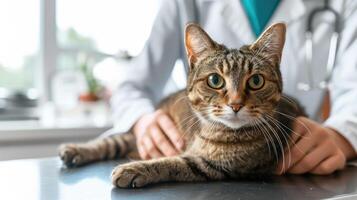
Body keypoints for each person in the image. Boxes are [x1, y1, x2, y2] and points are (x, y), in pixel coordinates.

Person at [109, 0, 357, 175]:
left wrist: (343, 135)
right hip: (191, 137)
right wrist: (142, 121)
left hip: (300, 152)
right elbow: (132, 86)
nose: (236, 100)